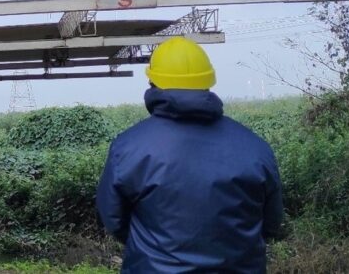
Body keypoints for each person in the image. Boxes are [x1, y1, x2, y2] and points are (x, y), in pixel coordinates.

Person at [96, 36, 284, 273]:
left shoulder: (127, 148)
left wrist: (155, 248)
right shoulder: (255, 148)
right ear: (208, 82)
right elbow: (271, 223)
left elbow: (114, 220)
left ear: (153, 83)